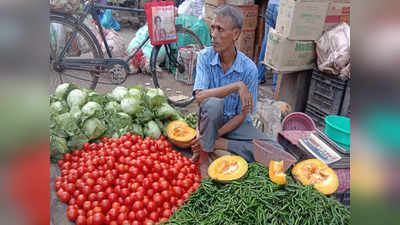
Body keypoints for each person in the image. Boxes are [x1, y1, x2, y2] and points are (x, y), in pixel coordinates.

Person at [190, 5, 283, 177]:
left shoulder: (249, 69)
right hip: (210, 119)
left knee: (277, 152)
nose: (213, 34)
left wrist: (215, 137)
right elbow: (200, 97)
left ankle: (219, 144)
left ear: (235, 34)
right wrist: (236, 86)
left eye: (220, 29)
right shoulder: (205, 57)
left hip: (236, 125)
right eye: (213, 27)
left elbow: (243, 115)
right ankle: (203, 160)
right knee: (213, 104)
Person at [256, 0, 280, 91]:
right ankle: (276, 84)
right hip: (283, 8)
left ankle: (259, 77)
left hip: (271, 5)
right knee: (279, 43)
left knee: (267, 41)